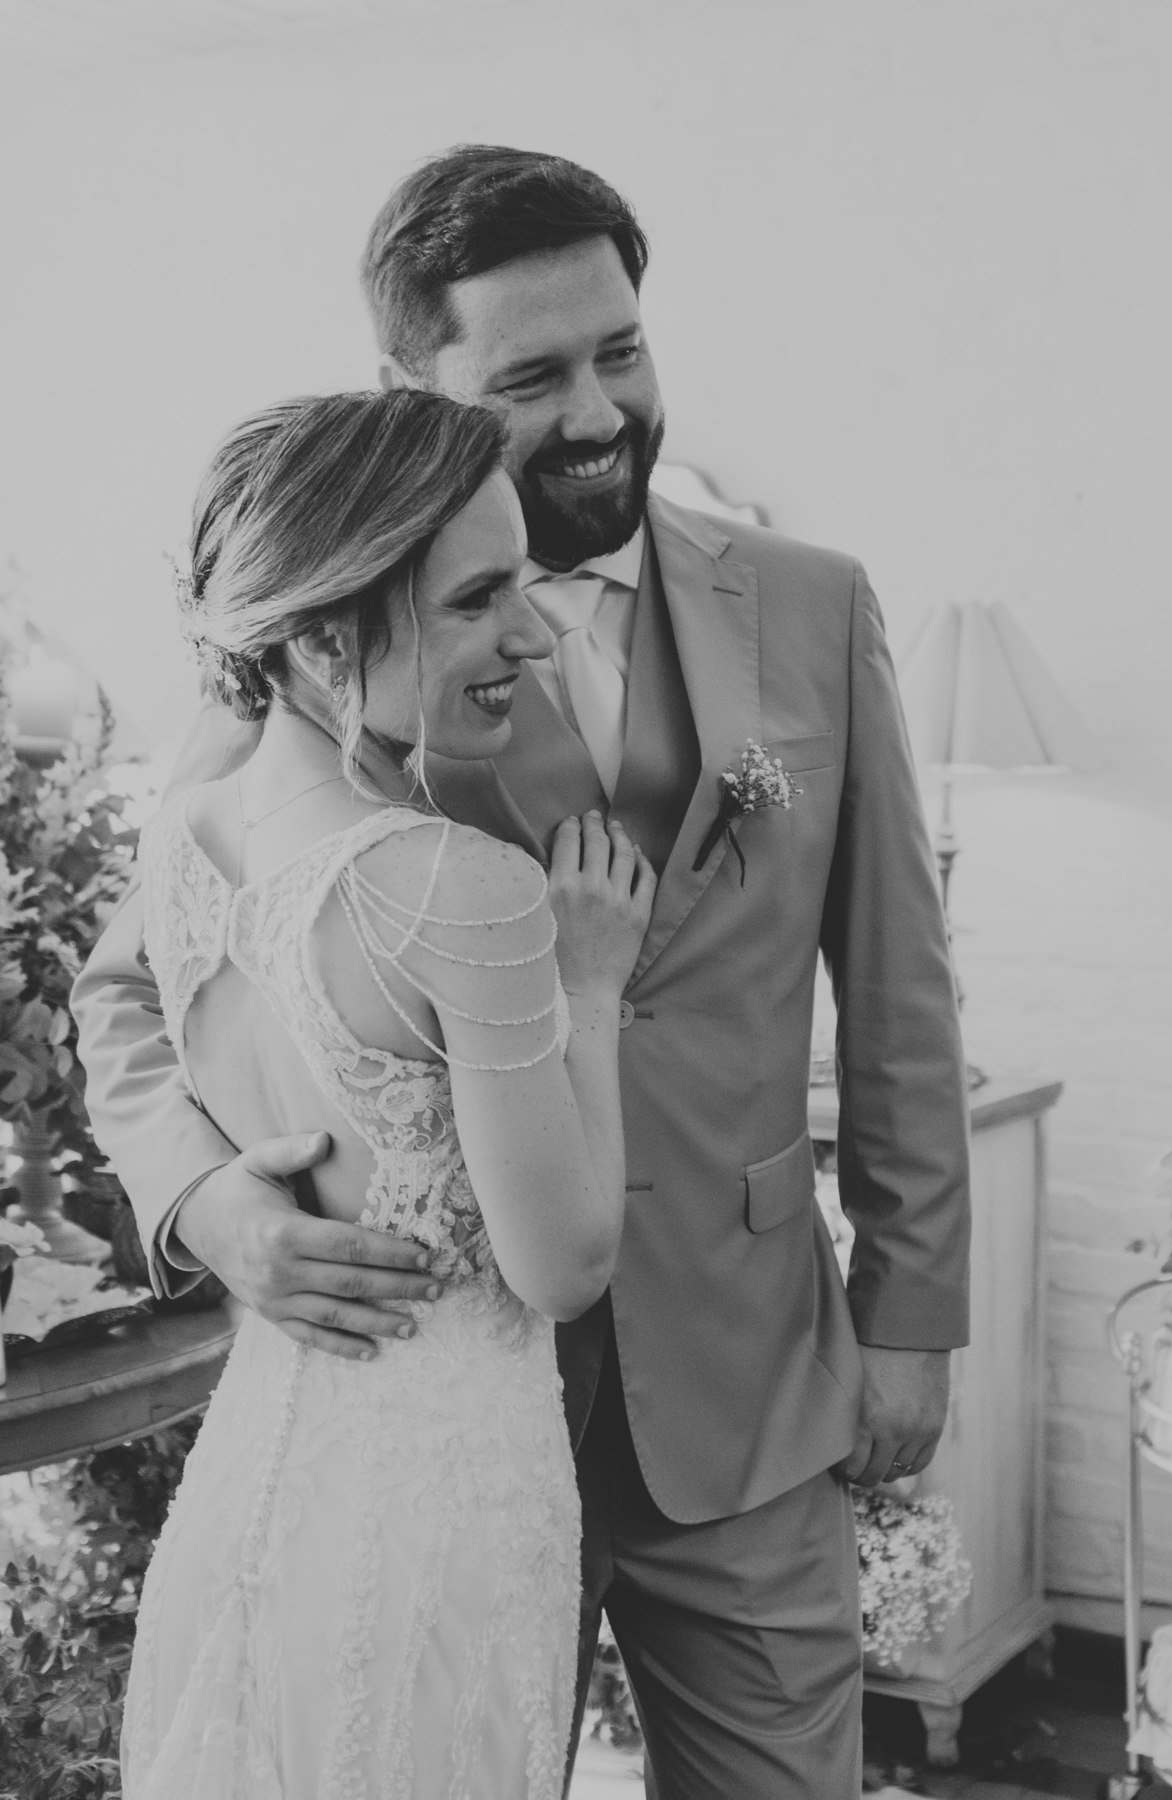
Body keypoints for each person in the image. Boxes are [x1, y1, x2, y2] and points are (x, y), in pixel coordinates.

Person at [75, 148, 971, 1797]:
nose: (598, 411)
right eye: (532, 377)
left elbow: (900, 985)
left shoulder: (811, 605)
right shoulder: (321, 638)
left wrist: (914, 1313)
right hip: (448, 1403)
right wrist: (211, 1208)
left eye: (620, 349)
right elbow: (135, 984)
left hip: (745, 1378)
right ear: (413, 387)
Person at [113, 386, 656, 1798]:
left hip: (258, 1492)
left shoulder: (184, 837)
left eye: (523, 583)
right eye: (477, 599)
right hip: (439, 1520)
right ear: (321, 637)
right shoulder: (458, 889)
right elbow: (563, 1264)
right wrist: (590, 986)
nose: (533, 633)